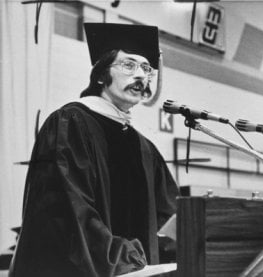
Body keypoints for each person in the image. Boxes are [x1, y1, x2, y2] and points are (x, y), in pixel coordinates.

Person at [9, 23, 179, 277]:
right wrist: (124, 257)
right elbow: (65, 212)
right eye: (128, 65)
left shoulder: (144, 148)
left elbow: (169, 218)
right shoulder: (70, 124)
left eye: (146, 68)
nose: (141, 76)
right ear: (100, 75)